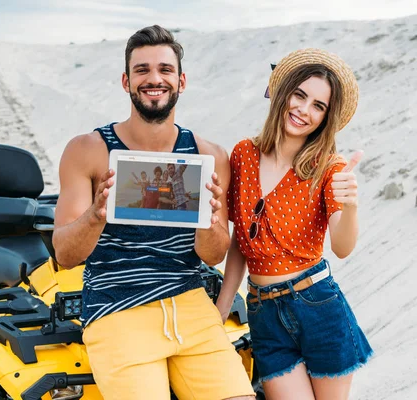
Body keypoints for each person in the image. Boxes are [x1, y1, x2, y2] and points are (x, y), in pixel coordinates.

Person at [52, 25, 255, 400]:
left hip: (192, 308)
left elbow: (213, 255)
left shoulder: (211, 156)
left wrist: (210, 222)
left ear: (181, 80)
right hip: (117, 309)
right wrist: (96, 214)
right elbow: (65, 255)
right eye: (142, 70)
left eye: (164, 69)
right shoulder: (88, 150)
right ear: (126, 81)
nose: (154, 79)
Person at [216, 48, 373, 400]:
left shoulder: (330, 168)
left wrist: (349, 205)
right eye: (300, 95)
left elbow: (343, 248)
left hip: (318, 306)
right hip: (263, 312)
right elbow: (243, 236)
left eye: (318, 106)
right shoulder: (243, 154)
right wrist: (225, 301)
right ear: (283, 93)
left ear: (325, 118)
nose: (304, 110)